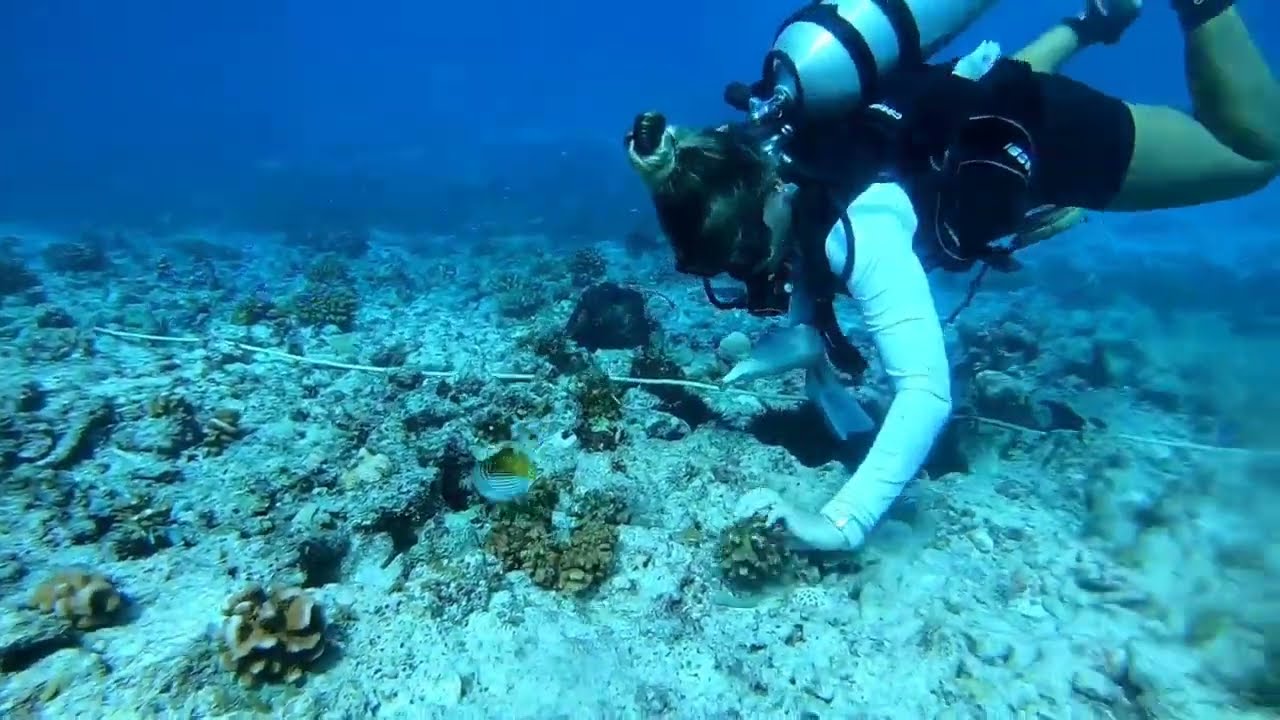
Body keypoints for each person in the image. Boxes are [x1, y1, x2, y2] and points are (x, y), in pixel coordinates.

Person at [623, 0, 1280, 552]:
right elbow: (949, 102)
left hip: (1059, 138)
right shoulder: (786, 156)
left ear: (766, 194)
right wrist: (789, 347)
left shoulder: (863, 233)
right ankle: (1094, 19)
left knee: (1255, 153)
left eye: (742, 254)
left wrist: (841, 521)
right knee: (984, 90)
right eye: (719, 268)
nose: (747, 274)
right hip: (973, 107)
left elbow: (925, 395)